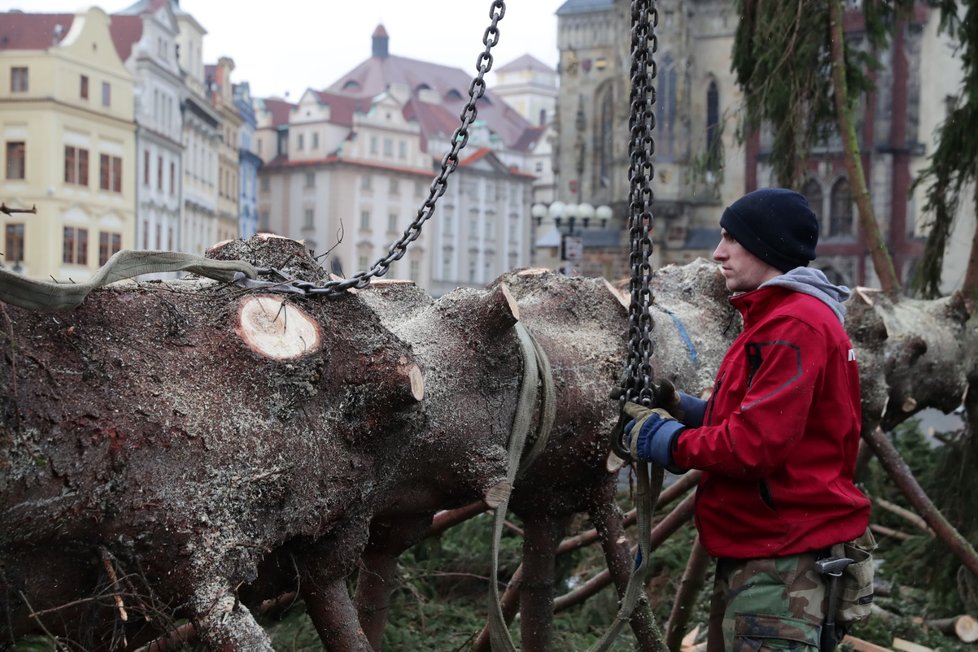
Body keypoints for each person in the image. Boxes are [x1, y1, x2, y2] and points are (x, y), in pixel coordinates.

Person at [623, 188, 873, 652]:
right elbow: (777, 424)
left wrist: (664, 441)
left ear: (767, 246)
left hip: (780, 566)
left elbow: (753, 446)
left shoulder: (792, 326)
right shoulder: (783, 317)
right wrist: (688, 411)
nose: (719, 252)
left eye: (731, 239)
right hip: (768, 552)